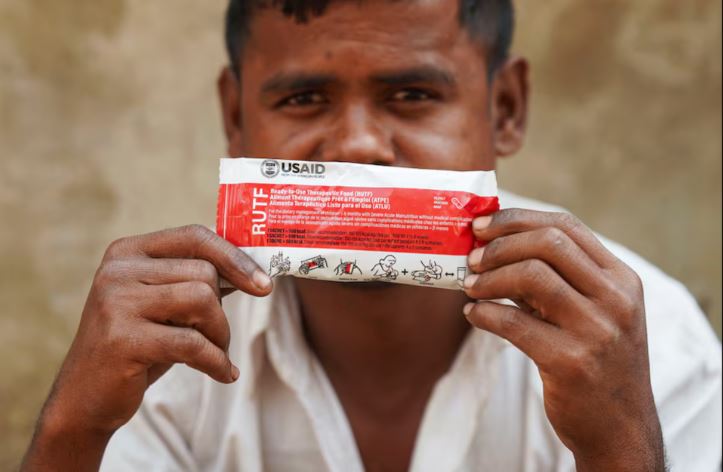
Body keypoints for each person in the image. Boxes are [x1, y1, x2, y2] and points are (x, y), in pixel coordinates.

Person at [22, 0, 721, 470]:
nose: (356, 146)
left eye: (412, 95)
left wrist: (620, 450)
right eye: (303, 99)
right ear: (235, 117)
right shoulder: (165, 350)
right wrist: (70, 436)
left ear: (504, 108)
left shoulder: (647, 343)